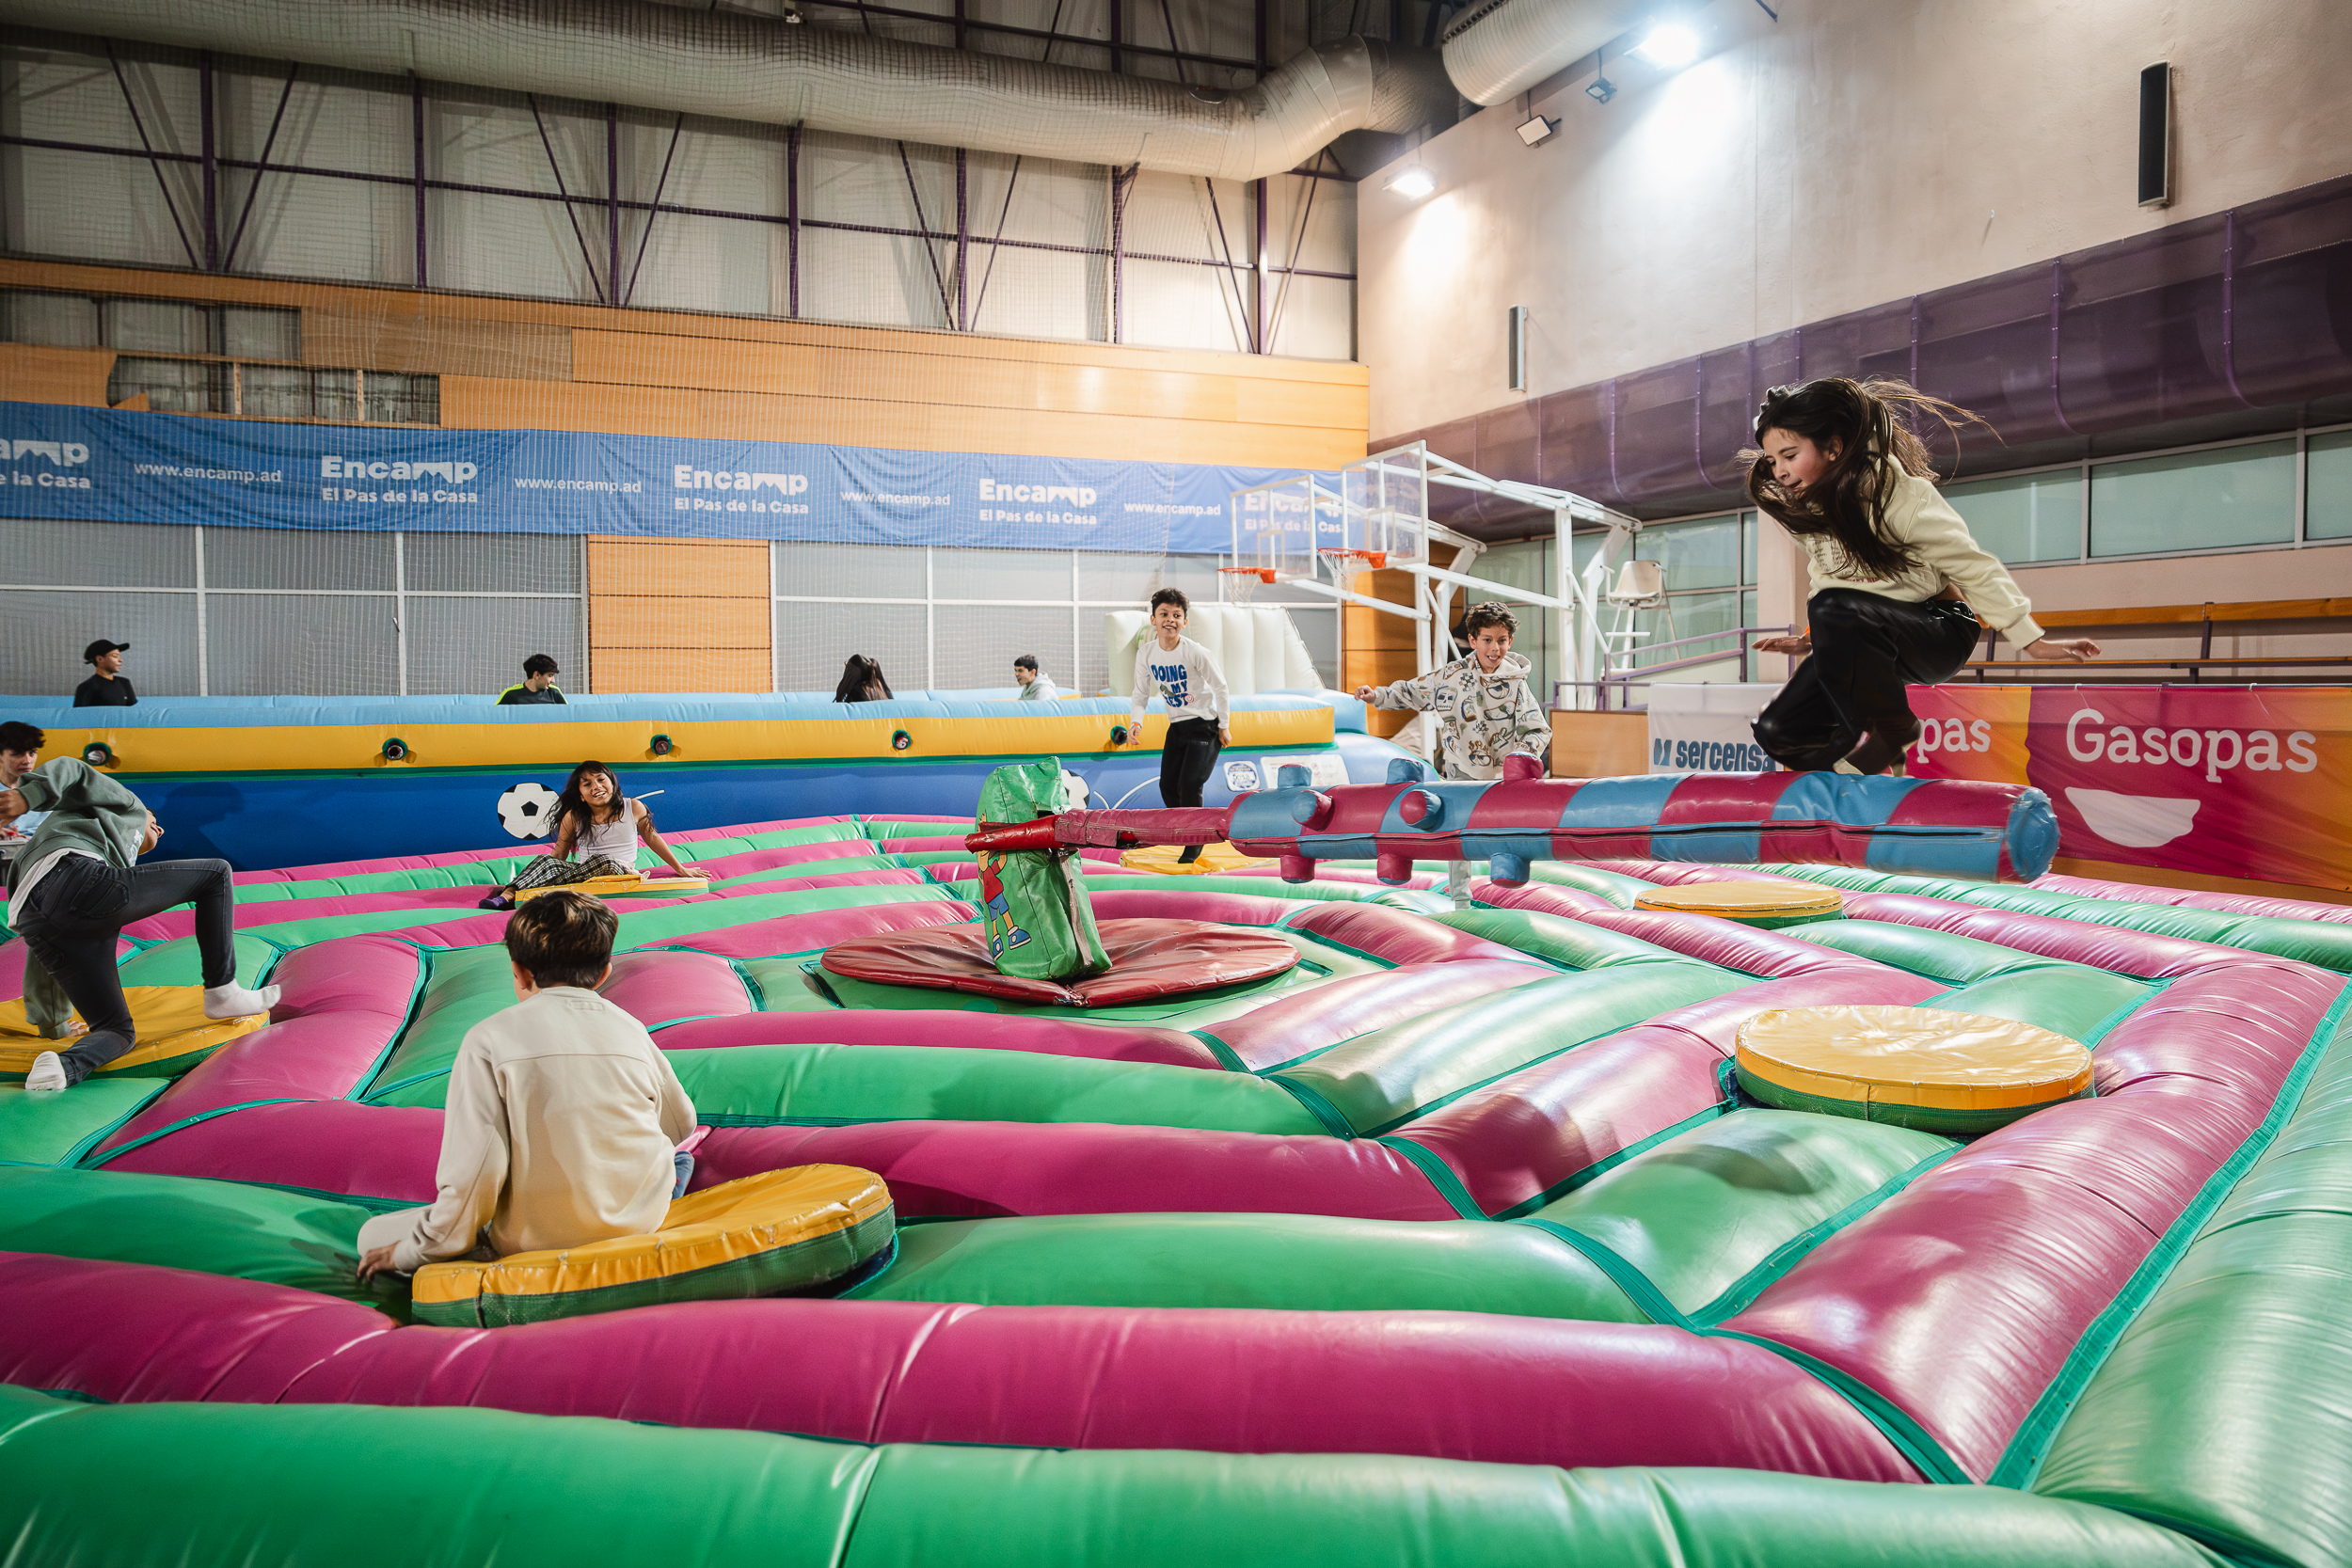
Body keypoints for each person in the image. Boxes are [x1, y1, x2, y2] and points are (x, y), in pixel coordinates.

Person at [1744, 378, 2098, 775]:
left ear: (1834, 448)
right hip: (1866, 635)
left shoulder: (1900, 498)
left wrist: (2029, 639)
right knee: (1776, 730)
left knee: (1833, 607)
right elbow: (1830, 577)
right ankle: (1856, 781)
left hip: (1939, 630)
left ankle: (1892, 730)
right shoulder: (1810, 512)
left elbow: (1971, 565)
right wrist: (1816, 638)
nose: (1781, 472)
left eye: (1789, 455)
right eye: (1773, 461)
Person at [355, 891, 697, 1281]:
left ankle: (480, 1253)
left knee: (372, 1236)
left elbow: (476, 1173)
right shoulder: (630, 1029)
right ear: (605, 973)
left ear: (518, 972)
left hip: (534, 1239)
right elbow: (680, 1123)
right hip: (638, 1221)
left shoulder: (489, 1039)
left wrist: (415, 1250)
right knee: (678, 1159)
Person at [0, 757, 279, 1093]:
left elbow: (42, 964)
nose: (159, 828)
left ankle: (63, 1066)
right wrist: (29, 796)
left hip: (37, 917)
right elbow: (73, 771)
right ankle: (223, 992)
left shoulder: (96, 872)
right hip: (74, 876)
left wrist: (54, 1025)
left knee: (116, 1031)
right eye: (155, 820)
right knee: (216, 873)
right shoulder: (125, 804)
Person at [1355, 601, 1549, 782]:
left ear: (1510, 641)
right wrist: (1377, 696)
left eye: (1501, 641)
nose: (1495, 648)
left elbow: (1537, 728)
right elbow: (1413, 691)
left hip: (1501, 776)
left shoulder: (1515, 682)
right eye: (1487, 640)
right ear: (1473, 641)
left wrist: (1521, 758)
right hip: (1461, 771)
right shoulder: (1452, 676)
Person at [1119, 589, 1230, 864]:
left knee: (1190, 784)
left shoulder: (1195, 652)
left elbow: (1221, 687)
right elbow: (1140, 693)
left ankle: (1196, 840)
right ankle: (1187, 828)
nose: (1170, 620)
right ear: (1153, 619)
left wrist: (1224, 726)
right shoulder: (1146, 653)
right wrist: (1136, 722)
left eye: (1177, 615)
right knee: (1168, 786)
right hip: (1178, 726)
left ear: (1185, 621)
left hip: (1205, 725)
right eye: (1164, 614)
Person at [550, 761, 690, 878]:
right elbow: (560, 852)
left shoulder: (633, 807)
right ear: (581, 796)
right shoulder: (574, 816)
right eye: (587, 784)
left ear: (612, 784)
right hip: (587, 873)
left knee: (606, 861)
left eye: (601, 779)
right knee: (545, 861)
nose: (596, 786)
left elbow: (652, 838)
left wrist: (679, 868)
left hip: (622, 870)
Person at [72, 641, 136, 707]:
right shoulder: (87, 687)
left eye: (119, 656)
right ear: (99, 659)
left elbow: (129, 710)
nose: (120, 660)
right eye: (115, 656)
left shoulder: (124, 683)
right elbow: (79, 714)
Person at [498, 654, 566, 705]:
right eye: (550, 676)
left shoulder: (554, 693)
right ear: (537, 675)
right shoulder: (511, 694)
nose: (553, 681)